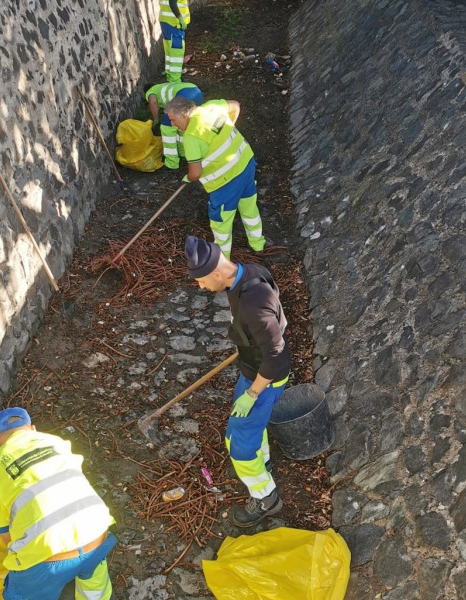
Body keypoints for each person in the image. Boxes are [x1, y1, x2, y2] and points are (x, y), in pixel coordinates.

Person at [184, 236, 290, 527]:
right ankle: (262, 462)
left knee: (240, 446)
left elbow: (276, 357)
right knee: (245, 430)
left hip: (265, 379)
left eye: (202, 281)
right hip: (253, 369)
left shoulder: (254, 305)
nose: (201, 287)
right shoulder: (250, 272)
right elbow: (277, 325)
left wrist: (253, 393)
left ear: (217, 272)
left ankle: (266, 498)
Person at [0, 407, 115, 600]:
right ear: (32, 429)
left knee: (20, 594)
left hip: (48, 563)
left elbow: (7, 536)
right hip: (97, 534)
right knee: (94, 583)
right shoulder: (58, 443)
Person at [166, 97, 266, 256]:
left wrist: (189, 178)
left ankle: (223, 260)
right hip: (245, 163)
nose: (172, 124)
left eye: (173, 120)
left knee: (221, 222)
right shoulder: (212, 107)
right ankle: (258, 245)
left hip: (225, 181)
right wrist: (229, 128)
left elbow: (195, 173)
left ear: (184, 115)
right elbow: (235, 105)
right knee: (249, 207)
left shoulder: (191, 137)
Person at [145, 81, 204, 169]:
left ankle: (171, 163)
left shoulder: (150, 91)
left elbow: (153, 102)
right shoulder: (162, 86)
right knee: (181, 124)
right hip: (197, 93)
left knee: (166, 126)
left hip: (185, 95)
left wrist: (156, 120)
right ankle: (184, 153)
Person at [159, 0, 190, 82]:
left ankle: (170, 76)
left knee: (170, 53)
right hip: (174, 24)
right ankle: (175, 81)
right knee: (176, 54)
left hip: (168, 22)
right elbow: (172, 2)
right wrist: (180, 19)